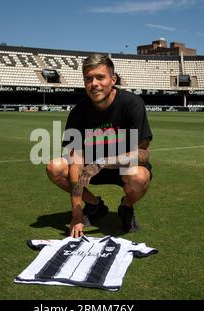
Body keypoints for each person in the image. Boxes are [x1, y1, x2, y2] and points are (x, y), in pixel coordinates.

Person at [46, 54, 153, 238]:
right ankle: (95, 205)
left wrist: (101, 162)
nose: (94, 83)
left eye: (100, 77)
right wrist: (77, 214)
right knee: (55, 167)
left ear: (113, 79)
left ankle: (126, 206)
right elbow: (75, 162)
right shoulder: (79, 112)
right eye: (88, 78)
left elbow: (143, 154)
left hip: (122, 168)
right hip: (89, 168)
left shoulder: (132, 104)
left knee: (138, 177)